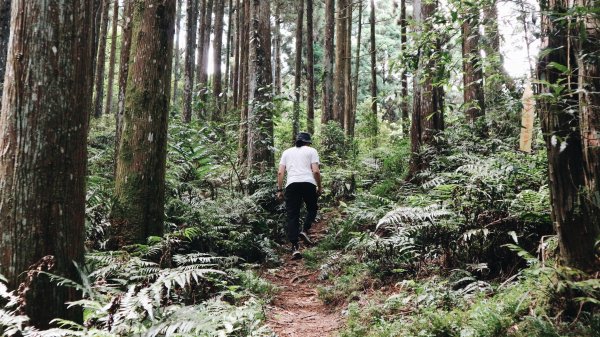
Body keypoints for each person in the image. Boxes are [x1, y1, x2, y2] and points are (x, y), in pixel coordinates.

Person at [277, 132, 322, 259]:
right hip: (308, 183)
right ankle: (304, 229)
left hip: (292, 185)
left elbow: (280, 172)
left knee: (293, 215)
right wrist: (319, 186)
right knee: (312, 208)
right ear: (307, 142)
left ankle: (295, 246)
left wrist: (279, 190)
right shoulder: (312, 151)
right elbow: (316, 171)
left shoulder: (286, 152)